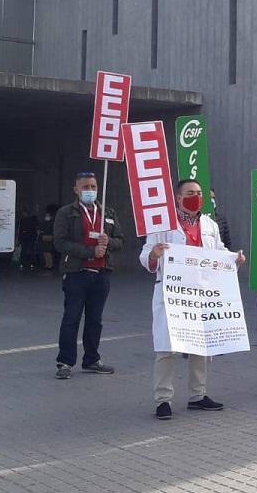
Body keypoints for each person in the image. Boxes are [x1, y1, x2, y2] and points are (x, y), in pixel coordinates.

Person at [140, 179, 245, 420]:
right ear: (178, 197)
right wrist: (154, 255)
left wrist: (234, 259)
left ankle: (198, 395)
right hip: (172, 293)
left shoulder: (209, 224)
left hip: (202, 292)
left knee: (202, 344)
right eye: (190, 193)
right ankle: (162, 400)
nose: (195, 197)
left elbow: (218, 251)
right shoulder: (162, 223)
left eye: (199, 193)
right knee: (168, 348)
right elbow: (146, 255)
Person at [53, 172, 124, 379]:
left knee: (95, 319)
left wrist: (108, 242)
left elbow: (121, 239)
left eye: (93, 186)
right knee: (71, 318)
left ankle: (92, 359)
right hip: (76, 273)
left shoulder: (107, 212)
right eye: (85, 187)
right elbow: (60, 242)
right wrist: (89, 251)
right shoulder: (66, 213)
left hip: (101, 274)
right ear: (76, 190)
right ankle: (65, 362)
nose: (90, 191)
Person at [41, 204, 59, 270]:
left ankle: (50, 264)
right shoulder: (45, 222)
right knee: (45, 251)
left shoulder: (52, 222)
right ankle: (47, 264)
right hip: (44, 236)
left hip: (49, 236)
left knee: (48, 251)